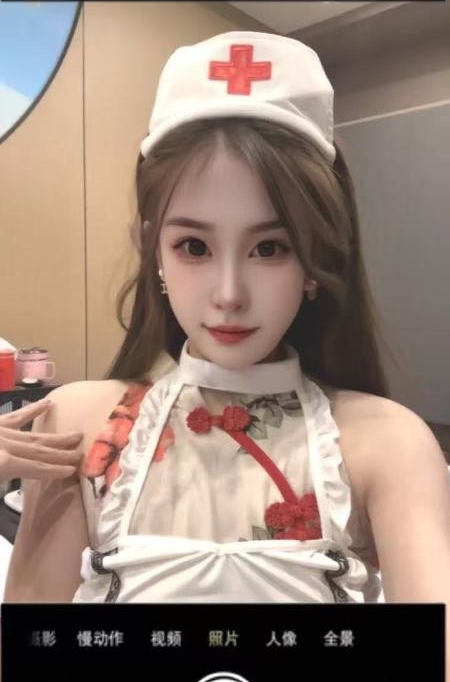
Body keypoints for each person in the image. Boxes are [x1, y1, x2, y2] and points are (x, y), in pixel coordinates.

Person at [4, 31, 450, 629]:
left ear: (316, 259)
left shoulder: (386, 444)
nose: (229, 294)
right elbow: (26, 654)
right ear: (153, 251)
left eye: (270, 247)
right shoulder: (78, 423)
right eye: (194, 246)